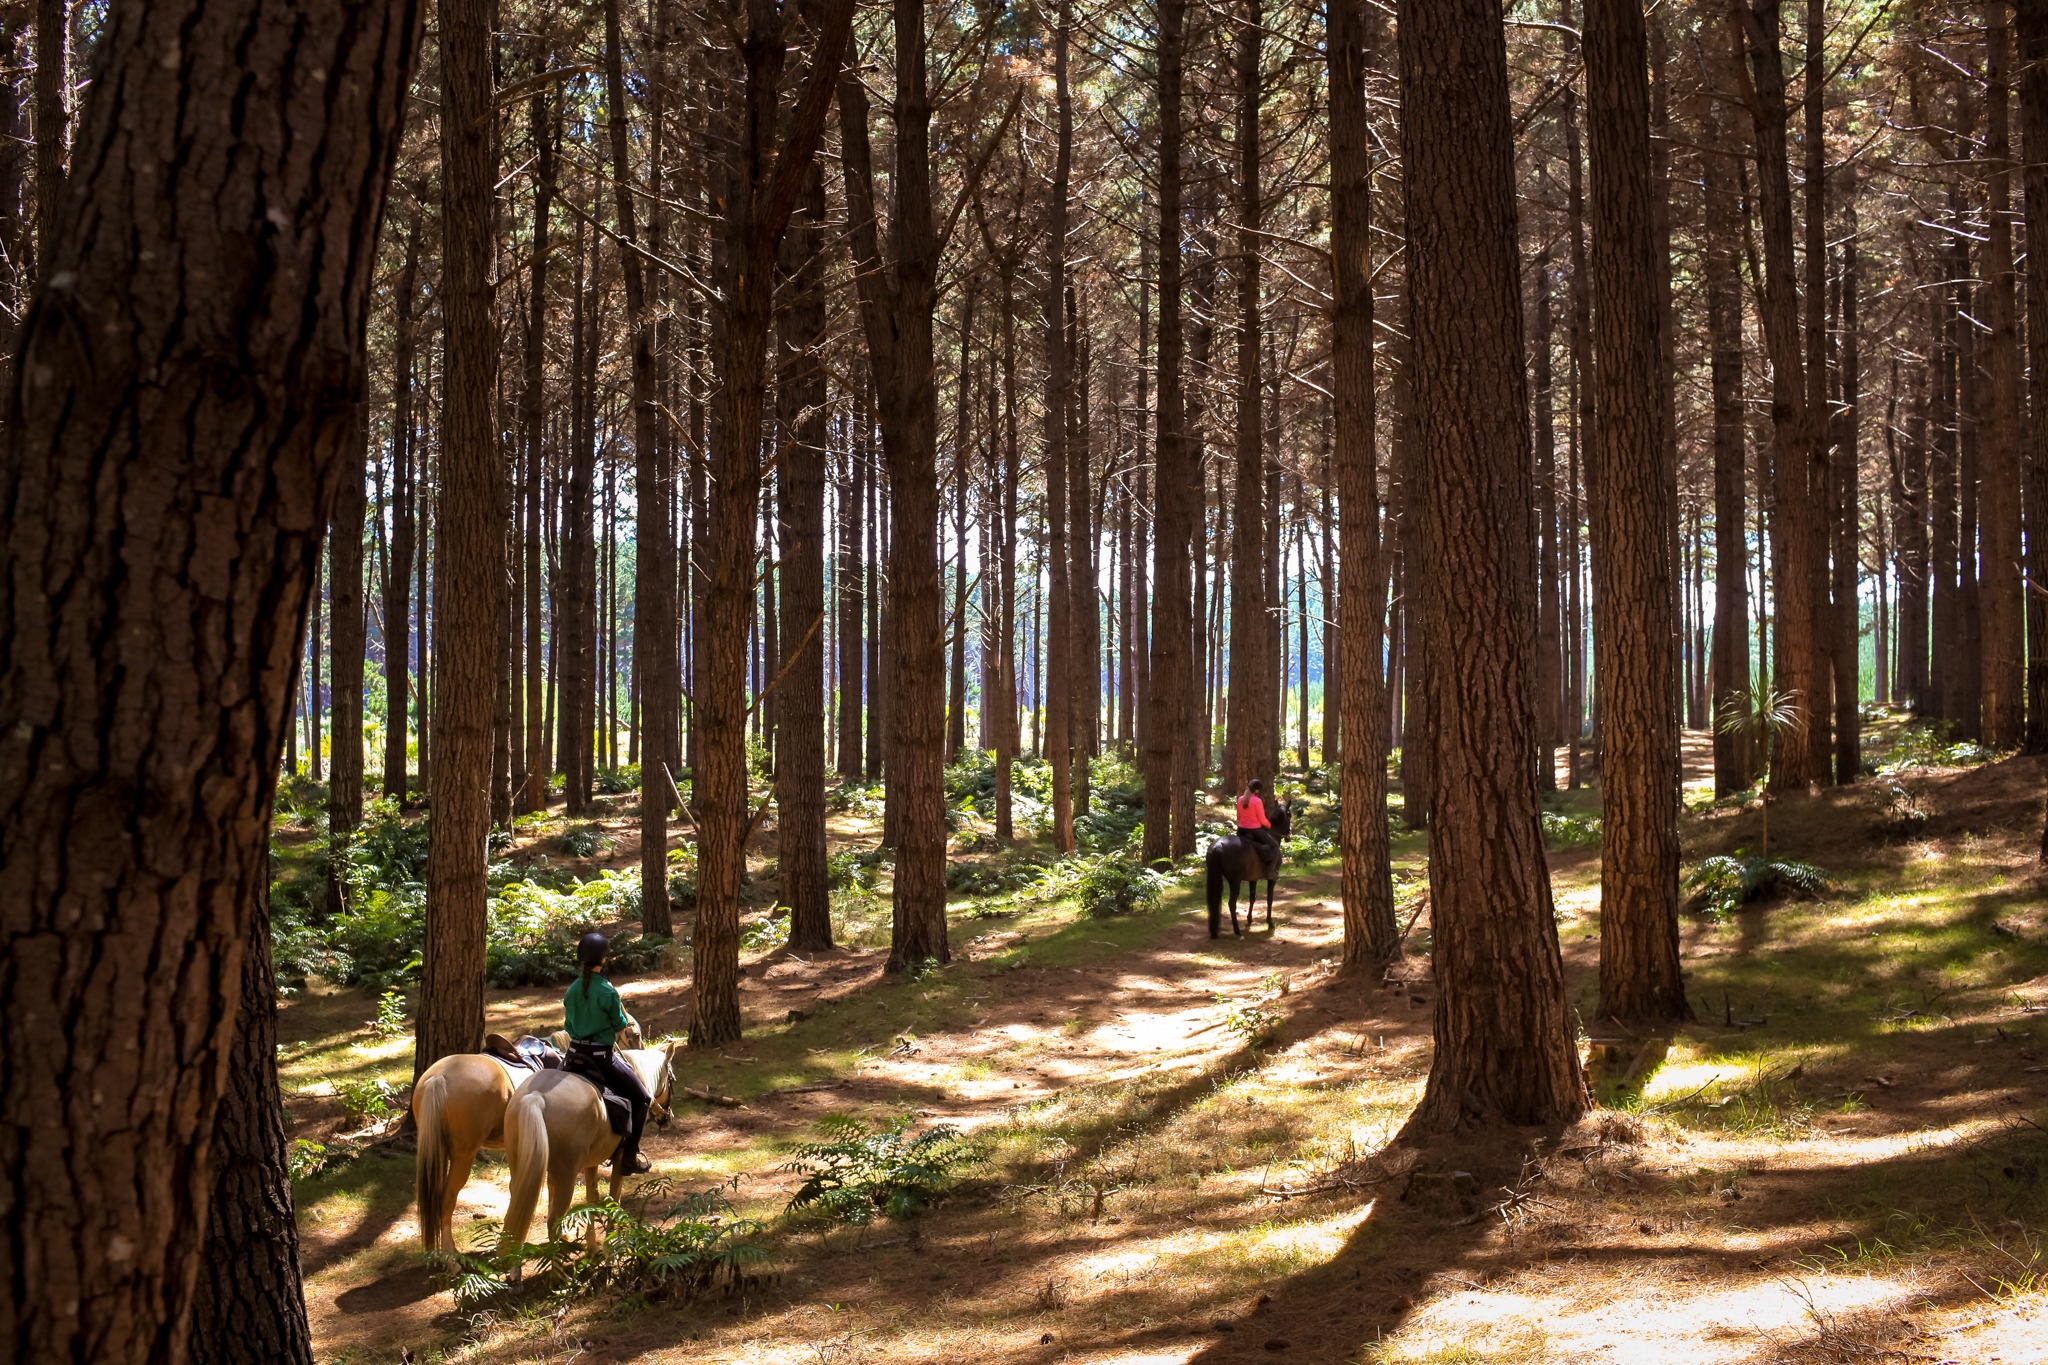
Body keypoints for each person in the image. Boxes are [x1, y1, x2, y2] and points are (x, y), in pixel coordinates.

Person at [562, 931, 652, 1174]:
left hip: (572, 1055)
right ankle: (629, 1156)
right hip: (601, 1058)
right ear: (604, 960)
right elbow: (620, 1025)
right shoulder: (608, 992)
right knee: (642, 1098)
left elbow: (567, 1027)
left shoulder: (572, 990)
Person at [1236, 778, 1280, 872]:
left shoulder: (1240, 799)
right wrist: (1268, 824)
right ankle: (1271, 871)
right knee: (1275, 845)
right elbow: (1262, 819)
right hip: (1254, 830)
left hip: (1241, 830)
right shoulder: (1257, 801)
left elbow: (1238, 816)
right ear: (1256, 790)